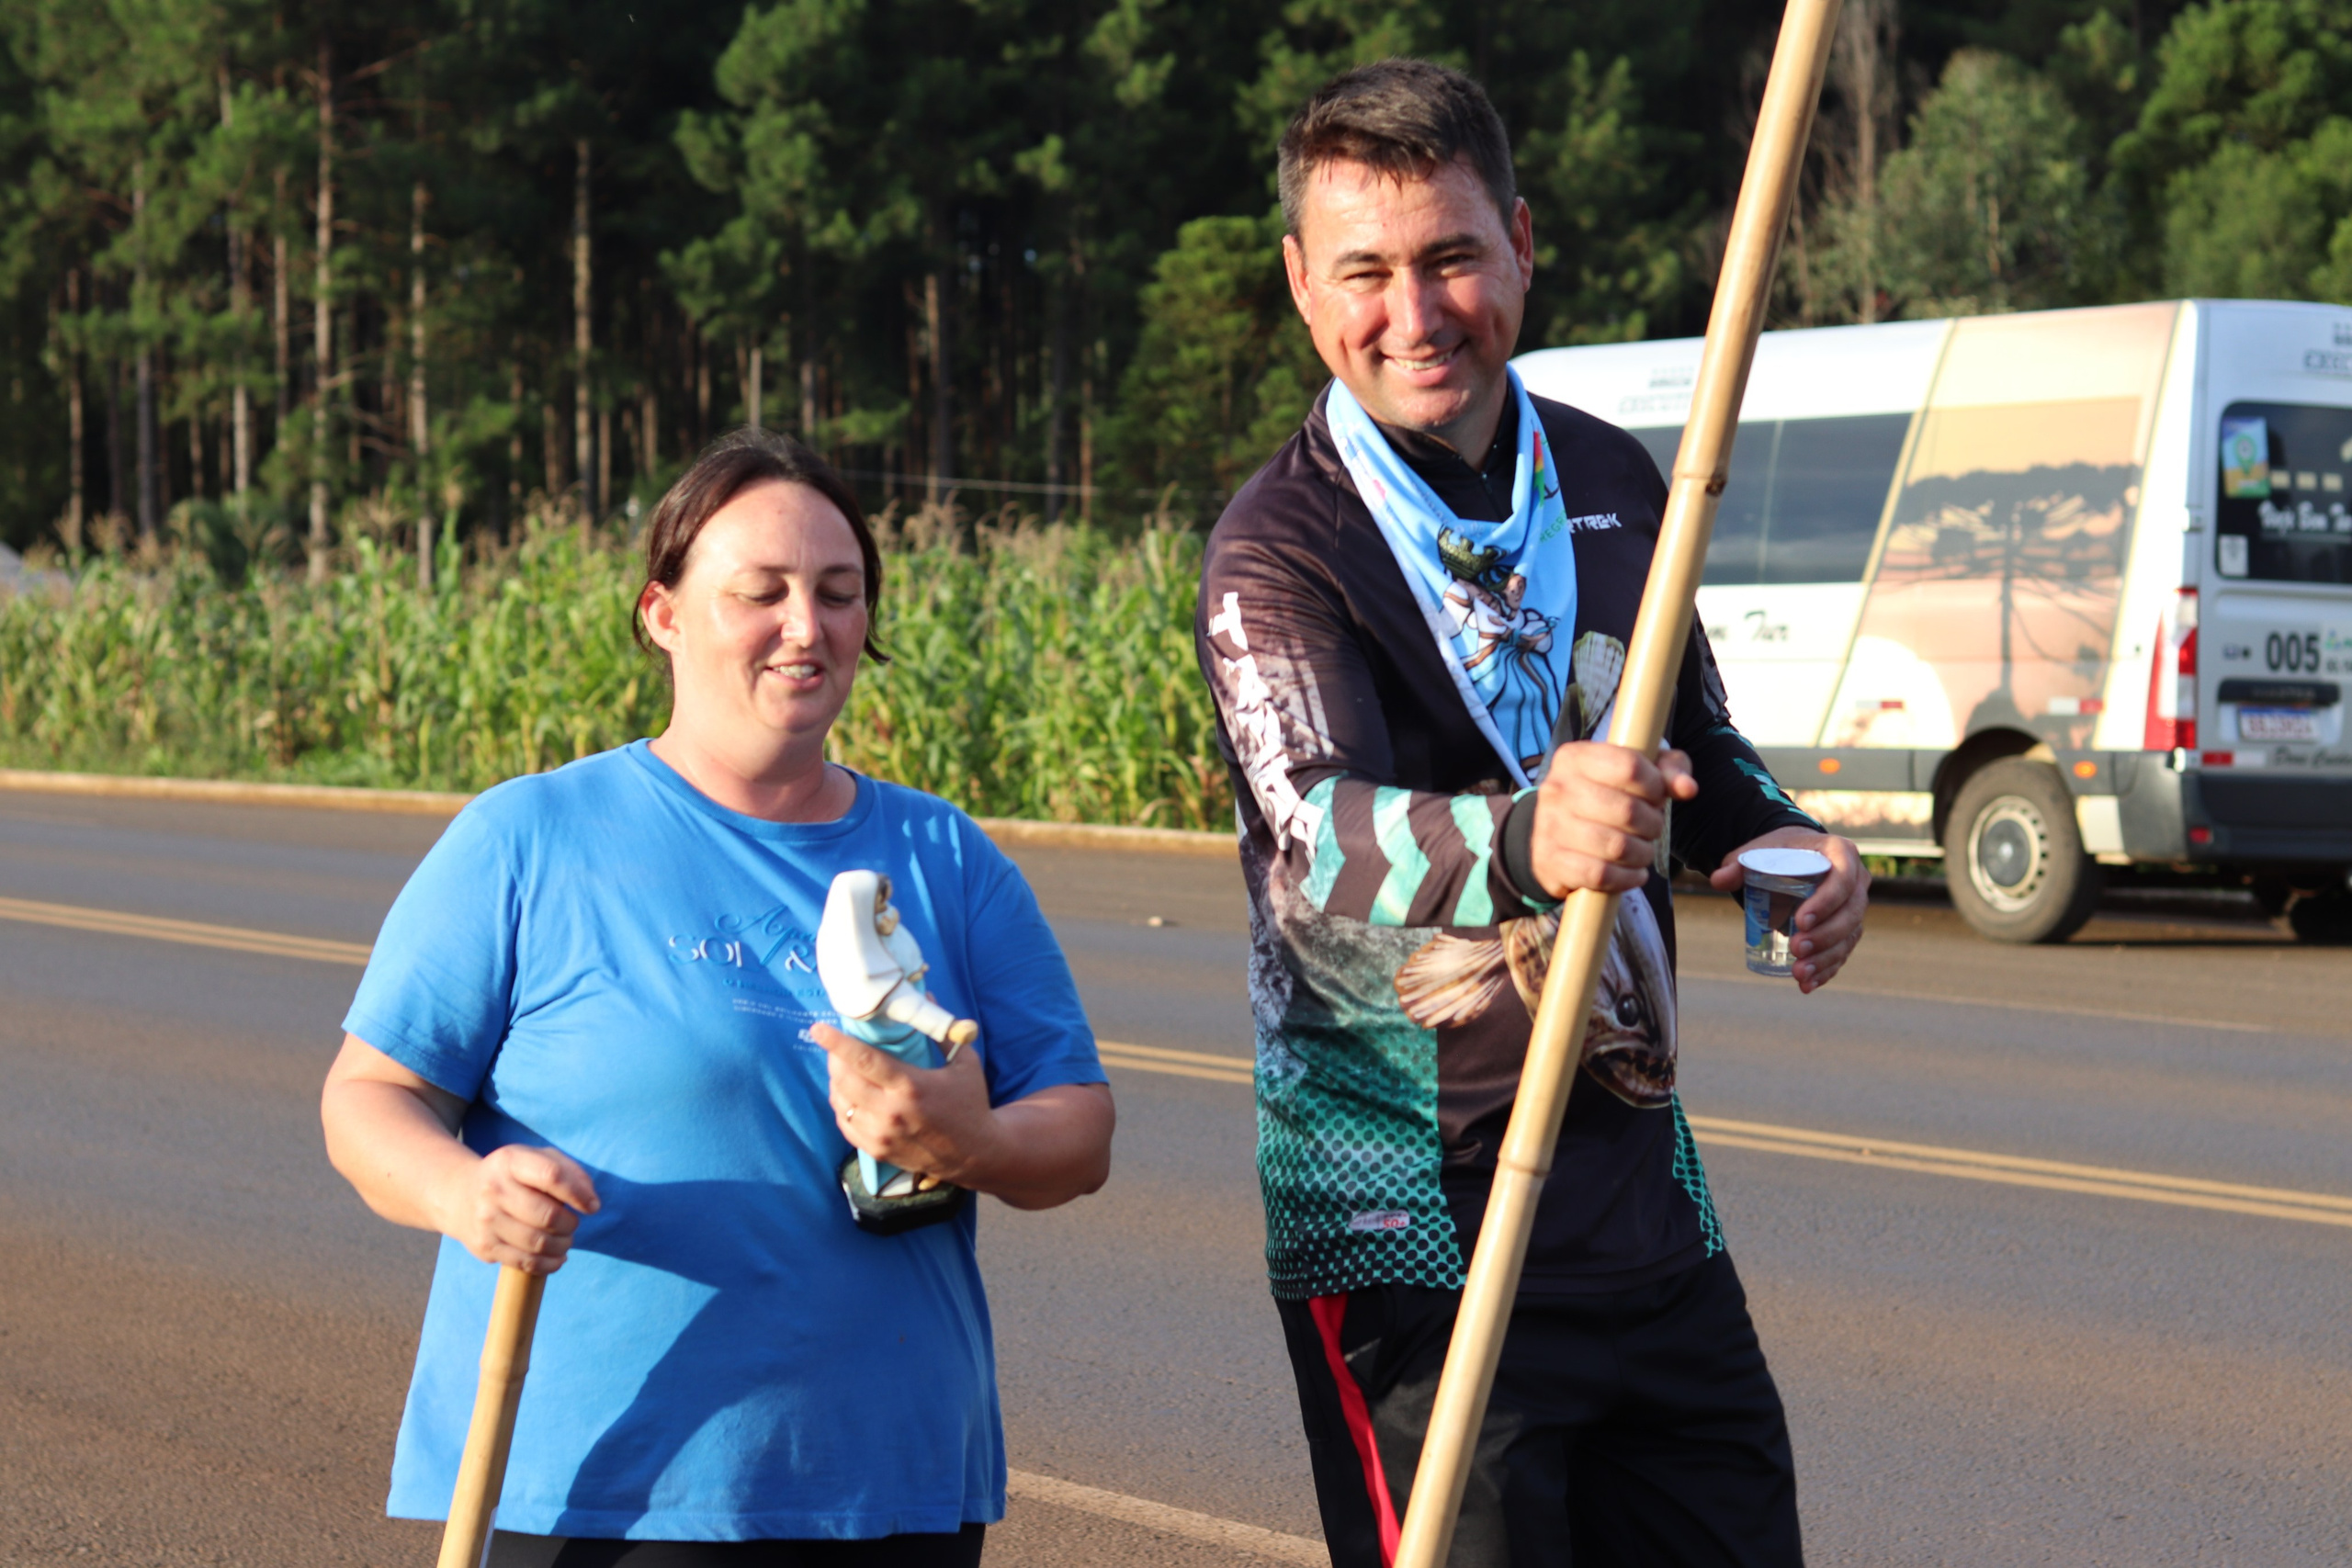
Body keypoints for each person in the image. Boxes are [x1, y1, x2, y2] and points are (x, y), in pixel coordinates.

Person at [1193, 61, 1868, 1567]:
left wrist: (1788, 851)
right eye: (1366, 271)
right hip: (1402, 1219)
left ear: (1520, 242)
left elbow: (1695, 747)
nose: (1417, 313)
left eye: (1450, 258)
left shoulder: (1626, 479)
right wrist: (1519, 837)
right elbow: (1321, 830)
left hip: (1637, 1188)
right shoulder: (1278, 546)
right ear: (1305, 285)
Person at [321, 429, 1114, 1567]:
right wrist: (464, 1193)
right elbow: (367, 1102)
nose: (809, 625)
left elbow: (1078, 1130)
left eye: (839, 594)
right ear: (663, 614)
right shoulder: (529, 838)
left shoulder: (943, 853)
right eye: (762, 592)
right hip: (606, 1486)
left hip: (891, 1485)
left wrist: (974, 1139)